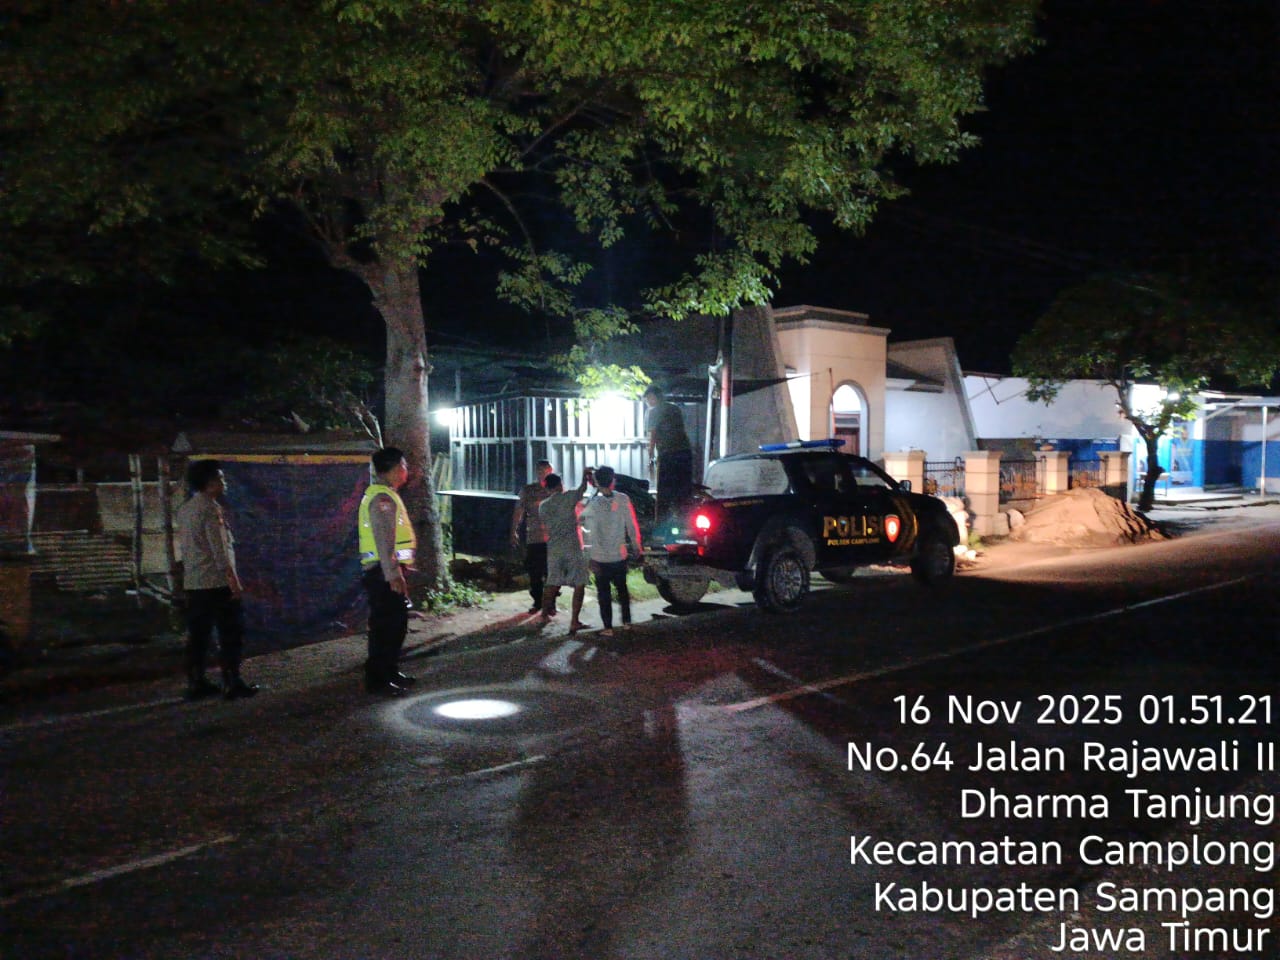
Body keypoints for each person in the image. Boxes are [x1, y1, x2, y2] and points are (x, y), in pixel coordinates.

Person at [174, 459, 258, 701]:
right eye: (220, 478)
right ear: (209, 482)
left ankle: (196, 682)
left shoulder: (186, 509)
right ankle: (232, 682)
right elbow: (220, 551)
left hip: (195, 583)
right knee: (230, 633)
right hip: (217, 583)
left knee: (198, 636)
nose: (224, 482)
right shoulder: (211, 509)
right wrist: (233, 581)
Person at [358, 447, 418, 695]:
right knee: (387, 627)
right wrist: (393, 574)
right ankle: (379, 679)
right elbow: (384, 542)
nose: (406, 470)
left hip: (386, 571)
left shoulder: (387, 495)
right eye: (404, 465)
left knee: (395, 624)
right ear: (394, 468)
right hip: (382, 574)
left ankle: (390, 671)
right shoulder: (382, 499)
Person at [580, 466, 642, 638]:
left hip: (599, 557)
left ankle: (608, 627)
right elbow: (631, 524)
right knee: (622, 589)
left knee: (604, 593)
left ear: (596, 482)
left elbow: (587, 532)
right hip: (619, 555)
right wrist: (636, 545)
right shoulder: (623, 499)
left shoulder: (593, 504)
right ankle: (627, 622)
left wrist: (587, 556)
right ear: (613, 480)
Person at [537, 469, 592, 632]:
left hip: (554, 548)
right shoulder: (568, 498)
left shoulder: (543, 506)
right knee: (579, 583)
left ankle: (544, 614)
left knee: (552, 582)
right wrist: (584, 476)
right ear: (560, 485)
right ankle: (574, 621)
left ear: (547, 488)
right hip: (572, 547)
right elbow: (582, 489)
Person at [643, 385, 694, 517]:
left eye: (648, 399)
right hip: (685, 452)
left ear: (653, 397)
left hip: (668, 454)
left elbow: (653, 434)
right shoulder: (675, 408)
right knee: (683, 489)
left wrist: (650, 455)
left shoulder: (654, 412)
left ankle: (662, 520)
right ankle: (685, 518)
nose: (647, 402)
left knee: (665, 491)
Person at [511, 459, 554, 614]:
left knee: (551, 573)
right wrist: (514, 530)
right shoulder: (528, 490)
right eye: (539, 471)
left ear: (550, 471)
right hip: (534, 537)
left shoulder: (556, 489)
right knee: (535, 572)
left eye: (545, 471)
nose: (542, 474)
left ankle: (551, 603)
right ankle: (537, 601)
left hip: (553, 538)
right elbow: (519, 511)